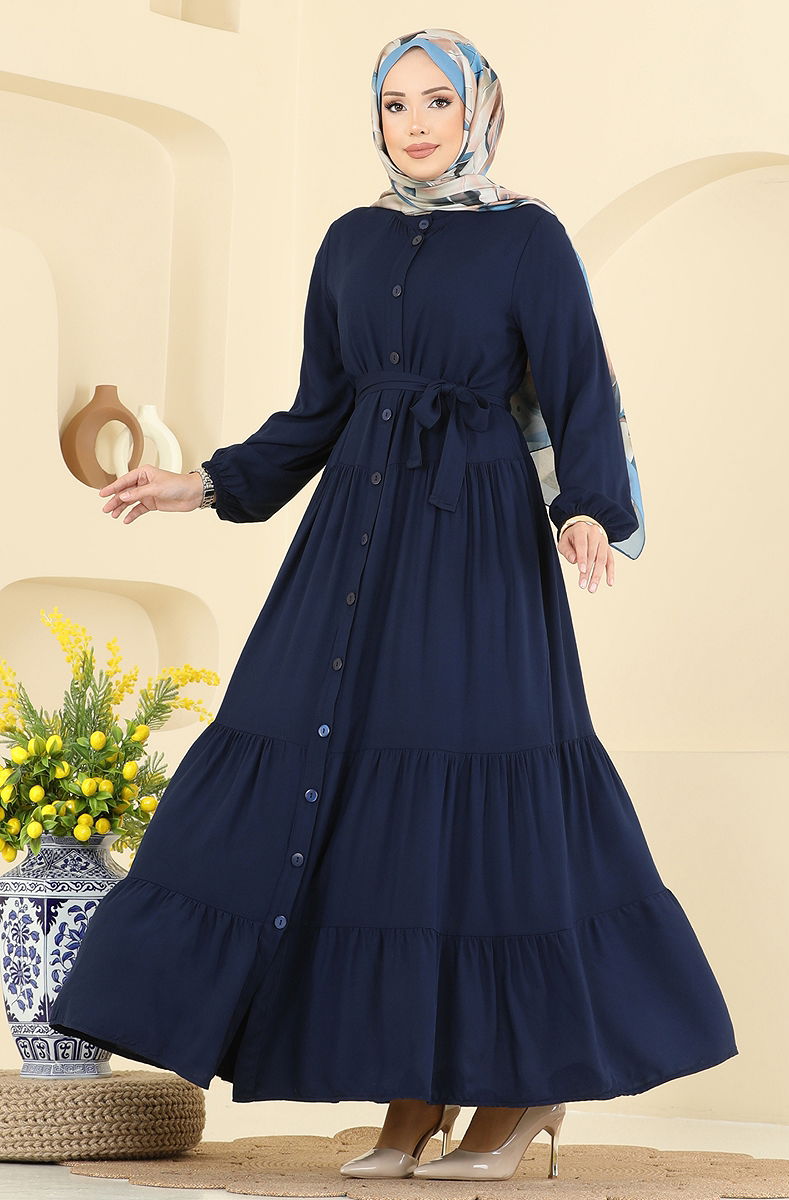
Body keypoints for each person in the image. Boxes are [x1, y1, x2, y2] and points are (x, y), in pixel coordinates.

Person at [49, 27, 738, 1185]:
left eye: (436, 102)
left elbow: (575, 386)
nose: (414, 124)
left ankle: (517, 1091)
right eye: (393, 104)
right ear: (373, 119)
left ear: (478, 112)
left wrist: (583, 508)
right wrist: (200, 483)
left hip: (475, 548)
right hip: (350, 549)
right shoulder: (350, 242)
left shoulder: (528, 238)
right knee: (355, 795)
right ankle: (413, 1092)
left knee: (474, 794)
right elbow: (317, 410)